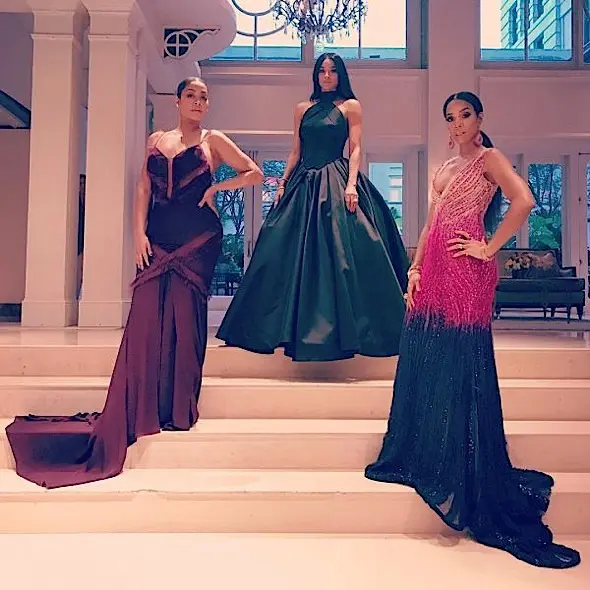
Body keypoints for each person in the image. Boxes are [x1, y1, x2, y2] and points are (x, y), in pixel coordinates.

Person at [6, 77, 263, 488]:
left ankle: (178, 408)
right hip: (157, 237)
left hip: (198, 238)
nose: (198, 102)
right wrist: (138, 233)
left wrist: (218, 185)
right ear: (177, 101)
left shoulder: (213, 141)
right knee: (145, 321)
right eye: (191, 96)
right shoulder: (156, 140)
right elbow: (143, 186)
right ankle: (142, 405)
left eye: (204, 97)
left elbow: (254, 173)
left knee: (185, 319)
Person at [365, 91, 580, 568]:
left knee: (460, 362)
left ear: (480, 118)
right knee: (428, 356)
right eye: (451, 117)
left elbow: (525, 200)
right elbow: (430, 225)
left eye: (465, 115)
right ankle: (429, 454)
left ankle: (463, 467)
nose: (458, 123)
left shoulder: (490, 158)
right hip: (434, 271)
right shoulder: (444, 168)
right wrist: (414, 268)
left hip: (467, 272)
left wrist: (488, 248)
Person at [216, 53, 408, 362]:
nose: (327, 76)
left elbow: (356, 148)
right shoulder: (301, 109)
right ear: (316, 75)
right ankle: (269, 328)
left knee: (350, 246)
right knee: (277, 241)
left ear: (340, 75)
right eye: (322, 71)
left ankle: (352, 329)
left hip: (336, 177)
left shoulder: (350, 106)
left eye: (332, 71)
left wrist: (351, 184)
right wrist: (282, 183)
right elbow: (296, 150)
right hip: (303, 180)